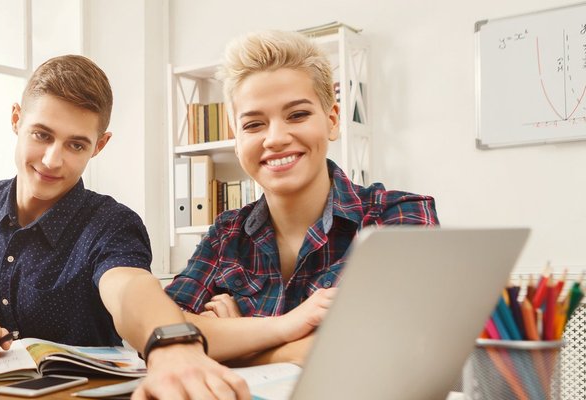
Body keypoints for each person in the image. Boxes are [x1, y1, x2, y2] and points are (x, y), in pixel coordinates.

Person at [0, 55, 251, 399]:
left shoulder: (112, 223)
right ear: (16, 119)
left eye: (76, 145)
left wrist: (173, 345)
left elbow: (130, 289)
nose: (52, 160)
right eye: (42, 135)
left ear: (99, 146)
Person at [164, 30, 440, 365]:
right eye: (254, 125)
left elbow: (393, 347)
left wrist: (235, 342)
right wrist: (283, 329)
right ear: (236, 140)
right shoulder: (226, 234)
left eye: (297, 115)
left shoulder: (397, 216)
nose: (276, 138)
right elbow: (163, 334)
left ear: (332, 120)